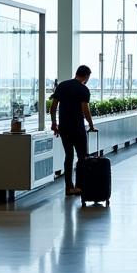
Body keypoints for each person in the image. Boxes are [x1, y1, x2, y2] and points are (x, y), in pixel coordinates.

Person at [50, 65, 96, 196]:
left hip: (64, 128)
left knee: (68, 156)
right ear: (86, 76)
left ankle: (69, 188)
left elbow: (53, 107)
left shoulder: (62, 86)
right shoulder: (83, 89)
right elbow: (85, 110)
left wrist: (54, 123)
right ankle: (80, 186)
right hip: (77, 128)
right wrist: (91, 125)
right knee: (82, 157)